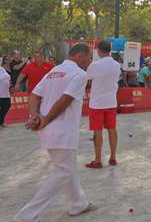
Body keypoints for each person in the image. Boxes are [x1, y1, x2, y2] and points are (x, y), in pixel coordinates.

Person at [13, 43, 97, 221]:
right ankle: (25, 216)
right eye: (88, 58)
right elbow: (64, 101)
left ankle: (77, 204)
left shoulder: (53, 72)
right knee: (64, 172)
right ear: (80, 56)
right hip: (62, 130)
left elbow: (34, 95)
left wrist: (36, 116)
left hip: (49, 130)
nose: (89, 62)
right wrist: (44, 119)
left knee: (67, 168)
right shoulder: (79, 74)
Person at [85, 40, 122, 169]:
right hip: (111, 102)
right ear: (110, 50)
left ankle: (97, 160)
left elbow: (87, 79)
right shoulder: (117, 65)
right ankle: (113, 157)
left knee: (98, 131)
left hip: (97, 103)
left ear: (98, 50)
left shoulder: (94, 65)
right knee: (112, 129)